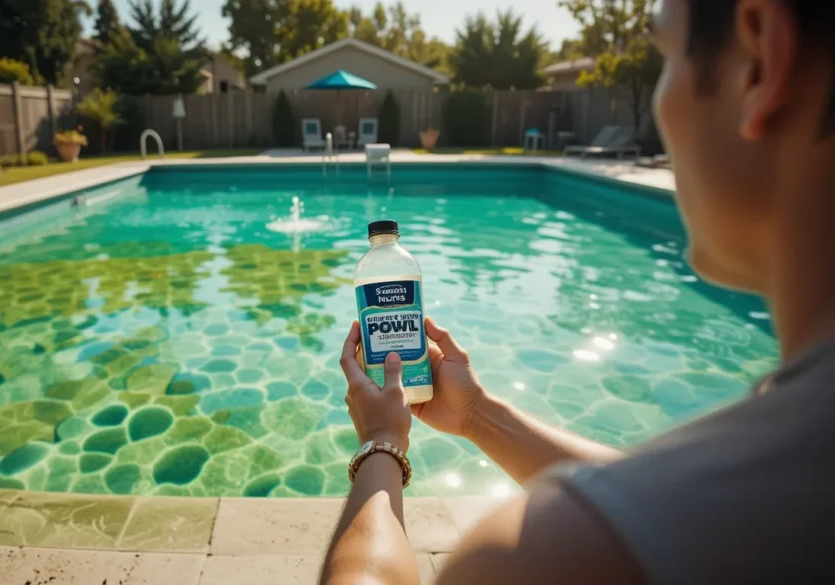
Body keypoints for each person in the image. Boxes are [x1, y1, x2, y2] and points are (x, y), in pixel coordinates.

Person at [321, 0, 835, 583]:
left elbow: (647, 514)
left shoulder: (543, 556)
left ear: (760, 59)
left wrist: (382, 443)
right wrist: (477, 416)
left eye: (664, 55)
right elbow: (668, 505)